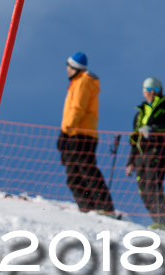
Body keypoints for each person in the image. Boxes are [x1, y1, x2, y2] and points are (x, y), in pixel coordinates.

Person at [57, 52, 116, 214]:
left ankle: (104, 207)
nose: (67, 69)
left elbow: (78, 109)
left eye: (69, 66)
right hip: (74, 133)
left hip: (81, 135)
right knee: (73, 176)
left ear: (75, 67)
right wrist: (64, 133)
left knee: (87, 170)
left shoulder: (83, 82)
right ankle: (88, 208)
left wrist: (65, 131)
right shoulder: (76, 83)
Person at [126, 77, 165, 232]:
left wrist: (154, 130)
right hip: (140, 156)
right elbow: (135, 140)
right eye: (148, 90)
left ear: (160, 90)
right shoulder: (140, 113)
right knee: (143, 189)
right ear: (144, 92)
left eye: (155, 90)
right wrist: (130, 161)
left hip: (156, 151)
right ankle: (158, 221)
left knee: (153, 186)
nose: (152, 93)